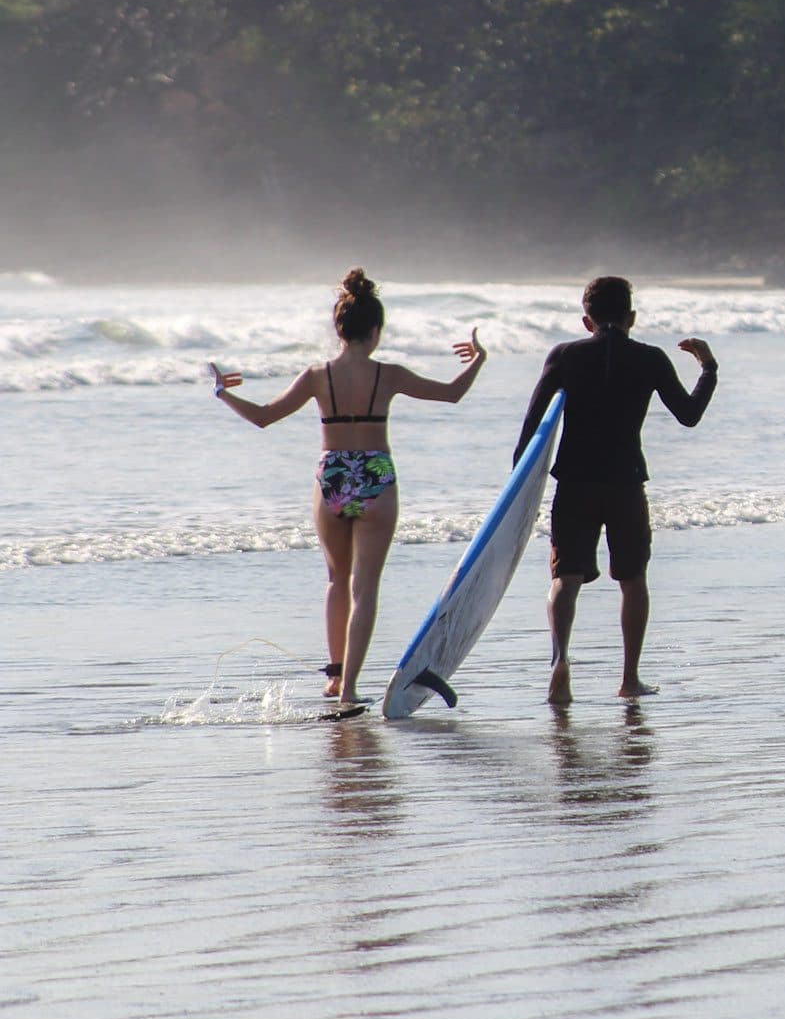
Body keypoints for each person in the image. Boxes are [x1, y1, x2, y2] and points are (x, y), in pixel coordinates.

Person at [210, 268, 486, 704]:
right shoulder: (388, 374)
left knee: (337, 581)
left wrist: (223, 393)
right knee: (365, 588)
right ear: (375, 331)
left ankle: (335, 677)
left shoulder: (317, 375)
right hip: (375, 475)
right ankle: (351, 688)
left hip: (333, 476)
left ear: (339, 330)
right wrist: (477, 361)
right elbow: (451, 393)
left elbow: (263, 416)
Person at [516, 276, 718, 705]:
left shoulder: (564, 355)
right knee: (633, 579)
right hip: (625, 482)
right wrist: (708, 369)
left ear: (586, 320)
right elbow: (689, 415)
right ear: (632, 317)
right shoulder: (650, 358)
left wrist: (517, 491)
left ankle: (560, 660)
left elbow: (531, 426)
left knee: (565, 579)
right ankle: (629, 679)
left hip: (575, 481)